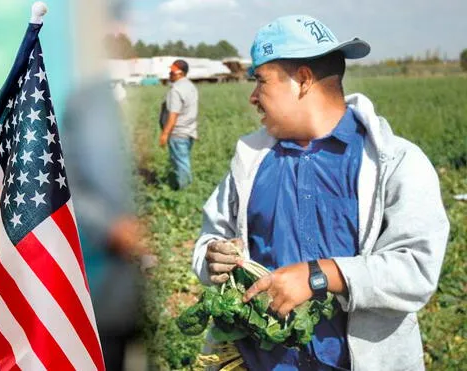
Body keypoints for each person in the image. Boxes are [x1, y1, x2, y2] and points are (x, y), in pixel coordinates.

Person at [192, 15, 449, 371]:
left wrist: (321, 275)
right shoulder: (250, 163)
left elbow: (416, 269)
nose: (253, 96)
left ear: (302, 80)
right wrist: (211, 256)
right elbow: (211, 238)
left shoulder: (395, 161)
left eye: (260, 81)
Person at [159, 59, 198, 190]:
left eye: (172, 72)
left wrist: (165, 134)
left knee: (181, 164)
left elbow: (173, 115)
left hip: (178, 133)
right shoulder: (191, 86)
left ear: (179, 73)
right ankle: (184, 187)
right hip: (189, 131)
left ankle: (185, 192)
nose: (169, 74)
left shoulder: (176, 90)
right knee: (182, 161)